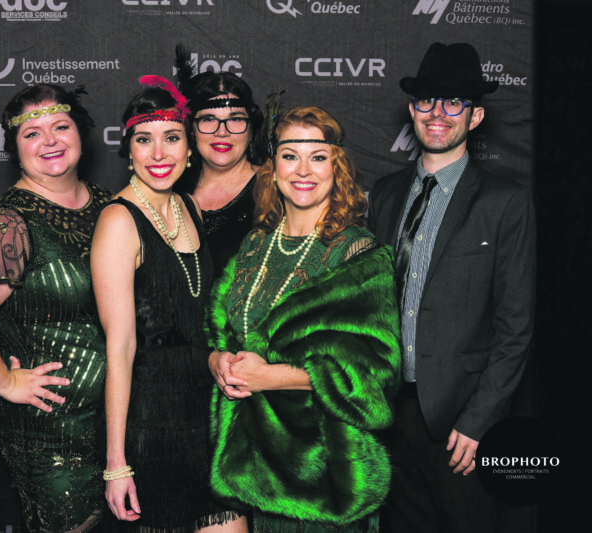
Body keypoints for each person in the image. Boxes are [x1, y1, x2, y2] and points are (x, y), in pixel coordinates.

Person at [207, 105, 401, 533]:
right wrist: (217, 360)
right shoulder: (255, 245)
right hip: (255, 465)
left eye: (318, 156)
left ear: (337, 168)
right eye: (290, 155)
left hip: (325, 473)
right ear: (272, 169)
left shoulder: (357, 254)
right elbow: (218, 330)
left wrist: (271, 377)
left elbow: (374, 371)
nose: (303, 170)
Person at [367, 43, 536, 533]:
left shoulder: (506, 204)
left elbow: (516, 326)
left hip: (461, 424)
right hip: (387, 419)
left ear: (476, 115)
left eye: (454, 103)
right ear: (412, 110)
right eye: (426, 101)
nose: (437, 114)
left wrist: (480, 420)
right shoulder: (385, 193)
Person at [0, 84, 111, 533]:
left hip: (121, 422)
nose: (49, 141)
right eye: (31, 133)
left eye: (60, 127)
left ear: (81, 135)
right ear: (14, 149)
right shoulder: (10, 222)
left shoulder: (113, 206)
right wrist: (6, 381)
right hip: (55, 435)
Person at [91, 75, 245, 533]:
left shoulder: (189, 208)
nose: (159, 154)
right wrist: (117, 463)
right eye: (144, 140)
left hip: (207, 419)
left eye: (171, 138)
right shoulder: (118, 221)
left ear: (189, 146)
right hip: (150, 425)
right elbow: (119, 348)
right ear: (129, 151)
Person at [174, 52, 268, 278]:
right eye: (208, 119)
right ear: (191, 129)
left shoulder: (274, 188)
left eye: (236, 119)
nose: (222, 132)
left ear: (251, 128)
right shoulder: (170, 194)